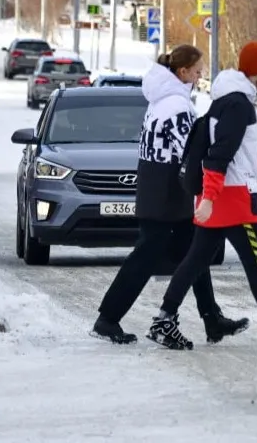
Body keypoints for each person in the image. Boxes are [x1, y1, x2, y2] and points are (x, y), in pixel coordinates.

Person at [147, 41, 257, 352]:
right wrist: (211, 198)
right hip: (232, 200)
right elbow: (218, 157)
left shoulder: (228, 101)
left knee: (194, 262)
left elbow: (239, 154)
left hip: (223, 196)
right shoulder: (238, 105)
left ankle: (164, 319)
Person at [91, 44, 236, 344]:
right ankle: (107, 319)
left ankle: (212, 319)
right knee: (146, 257)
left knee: (193, 254)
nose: (199, 78)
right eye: (197, 72)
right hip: (167, 192)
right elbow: (189, 150)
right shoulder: (178, 106)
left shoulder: (160, 100)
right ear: (182, 72)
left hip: (156, 185)